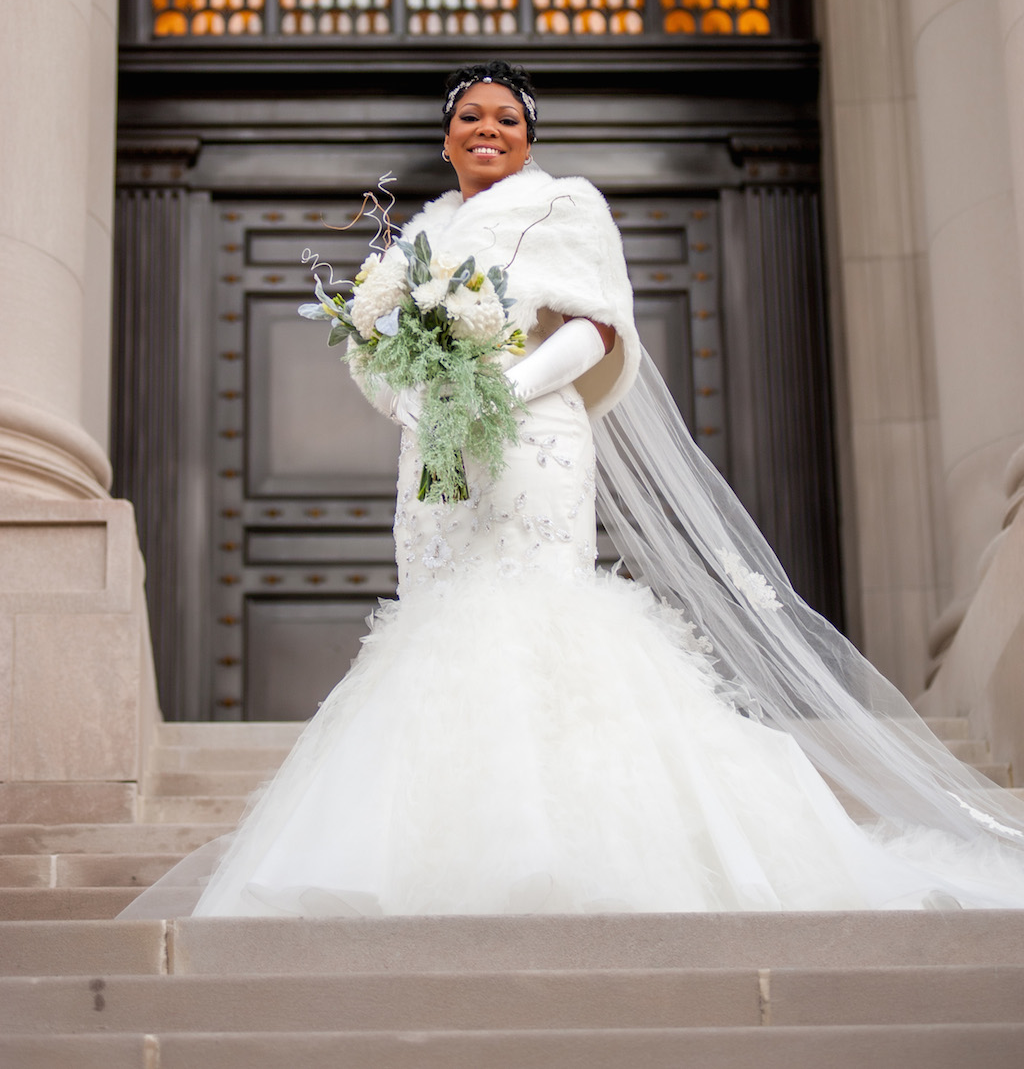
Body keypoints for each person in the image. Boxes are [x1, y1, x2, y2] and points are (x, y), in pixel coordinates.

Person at [127, 60, 1024, 919]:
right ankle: (452, 841)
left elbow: (599, 328)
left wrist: (503, 390)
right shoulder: (423, 235)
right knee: (437, 620)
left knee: (531, 611)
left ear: (527, 138)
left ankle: (570, 838)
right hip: (439, 452)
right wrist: (411, 397)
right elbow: (374, 340)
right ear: (447, 139)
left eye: (506, 119)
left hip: (533, 433)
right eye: (471, 117)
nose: (488, 129)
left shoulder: (568, 205)